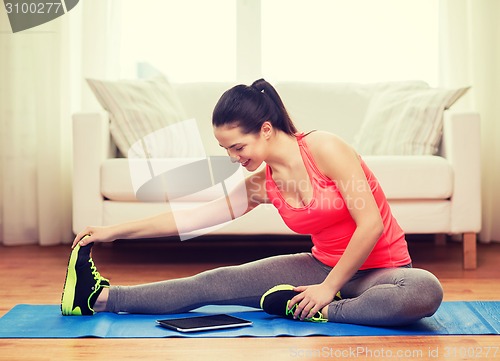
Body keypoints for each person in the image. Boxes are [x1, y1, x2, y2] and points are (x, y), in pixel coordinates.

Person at [61, 79, 443, 325]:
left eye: (238, 146)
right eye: (225, 149)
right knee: (212, 283)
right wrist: (113, 232)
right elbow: (193, 219)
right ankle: (100, 298)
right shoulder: (261, 184)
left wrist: (327, 290)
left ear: (265, 129)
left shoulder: (325, 148)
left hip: (383, 271)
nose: (233, 157)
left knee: (424, 290)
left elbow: (371, 225)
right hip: (319, 266)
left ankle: (320, 310)